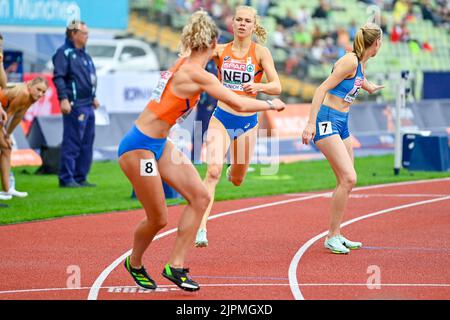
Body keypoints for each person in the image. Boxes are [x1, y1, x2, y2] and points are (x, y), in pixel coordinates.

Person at [118, 10, 285, 292]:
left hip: (160, 144)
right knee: (159, 218)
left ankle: (176, 266)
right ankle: (134, 263)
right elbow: (241, 104)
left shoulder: (185, 61)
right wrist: (271, 105)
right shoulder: (196, 74)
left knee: (200, 196)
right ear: (210, 45)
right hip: (138, 149)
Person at [195, 5, 282, 247]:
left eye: (247, 21)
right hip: (221, 117)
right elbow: (192, 62)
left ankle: (233, 168)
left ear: (254, 26)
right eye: (239, 20)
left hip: (248, 122)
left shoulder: (261, 53)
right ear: (232, 23)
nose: (243, 24)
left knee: (237, 179)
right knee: (212, 171)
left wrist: (260, 87)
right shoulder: (220, 51)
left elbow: (277, 87)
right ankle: (200, 227)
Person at [301, 23, 384, 254]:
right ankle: (330, 236)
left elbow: (355, 80)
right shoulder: (350, 60)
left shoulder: (360, 63)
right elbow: (321, 89)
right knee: (348, 178)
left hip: (342, 122)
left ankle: (336, 233)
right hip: (326, 119)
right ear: (376, 43)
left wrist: (370, 87)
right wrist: (310, 124)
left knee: (347, 181)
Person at [52, 20, 100, 188]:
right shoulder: (63, 53)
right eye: (84, 33)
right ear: (73, 34)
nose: (87, 37)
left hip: (88, 104)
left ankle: (80, 176)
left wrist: (93, 96)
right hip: (74, 104)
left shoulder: (85, 55)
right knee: (72, 141)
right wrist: (63, 99)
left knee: (87, 142)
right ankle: (66, 178)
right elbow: (59, 77)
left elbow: (89, 79)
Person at [0, 77, 48, 199]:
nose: (40, 94)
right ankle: (6, 189)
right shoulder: (23, 93)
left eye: (43, 92)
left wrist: (7, 134)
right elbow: (6, 115)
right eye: (38, 89)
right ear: (30, 84)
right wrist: (5, 135)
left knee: (6, 149)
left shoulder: (30, 97)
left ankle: (7, 190)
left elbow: (18, 117)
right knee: (6, 147)